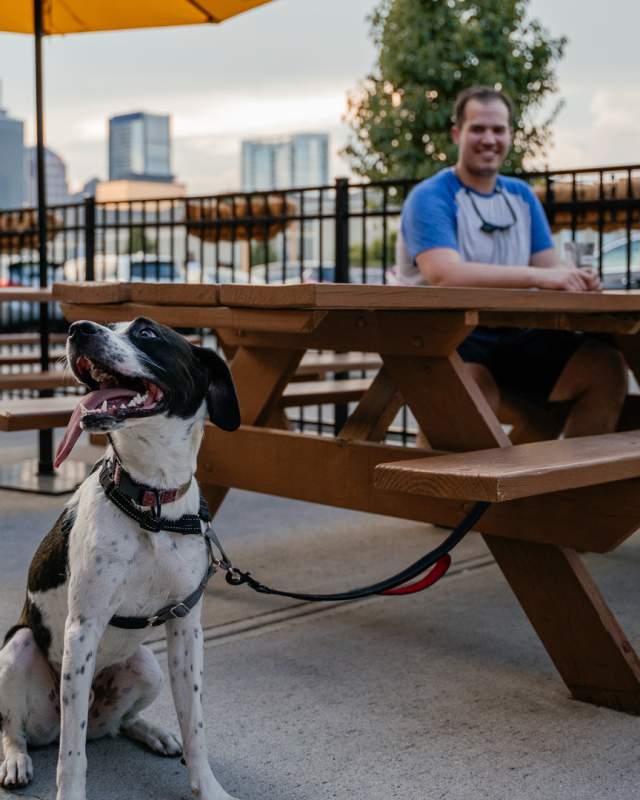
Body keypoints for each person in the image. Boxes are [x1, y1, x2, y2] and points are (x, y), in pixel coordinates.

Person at [395, 85, 627, 437]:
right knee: (472, 396)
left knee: (604, 368)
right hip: (446, 337)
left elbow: (549, 267)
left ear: (510, 136)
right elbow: (444, 274)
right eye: (478, 128)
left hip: (516, 334)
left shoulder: (520, 195)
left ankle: (568, 488)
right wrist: (541, 276)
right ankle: (454, 490)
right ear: (457, 134)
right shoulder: (430, 196)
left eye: (498, 129)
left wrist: (574, 277)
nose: (489, 139)